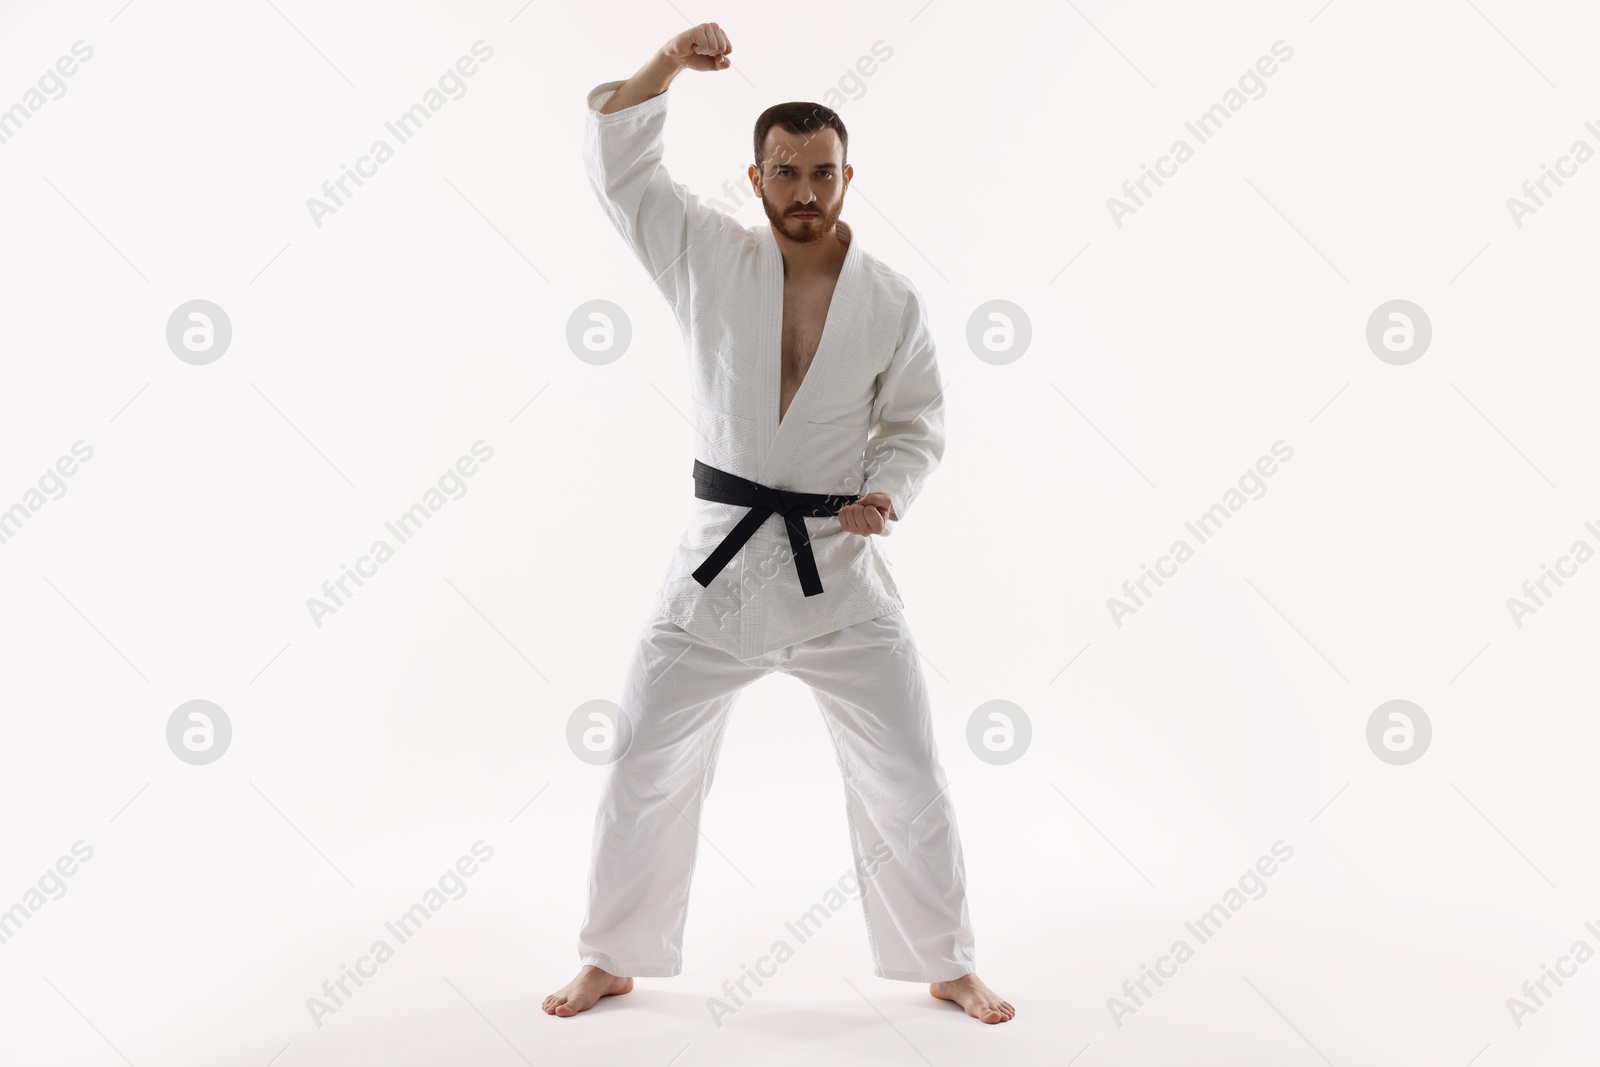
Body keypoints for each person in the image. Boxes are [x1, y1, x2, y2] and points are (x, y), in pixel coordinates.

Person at [544, 23, 1013, 1024]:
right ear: (754, 179)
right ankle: (612, 953)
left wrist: (887, 490)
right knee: (640, 757)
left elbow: (917, 422)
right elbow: (622, 174)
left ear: (850, 178)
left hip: (837, 570)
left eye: (823, 172)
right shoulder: (708, 255)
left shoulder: (890, 298)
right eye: (786, 172)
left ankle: (944, 957)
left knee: (908, 766)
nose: (806, 188)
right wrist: (667, 65)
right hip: (712, 570)